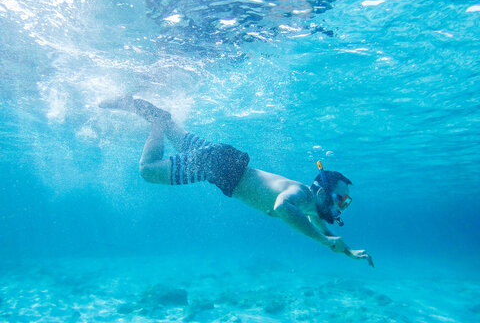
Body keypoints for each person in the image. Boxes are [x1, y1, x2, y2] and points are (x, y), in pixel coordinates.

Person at [100, 96, 374, 267]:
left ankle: (140, 109)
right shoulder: (301, 195)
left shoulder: (313, 207)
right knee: (148, 171)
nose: (342, 207)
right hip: (221, 168)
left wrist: (347, 251)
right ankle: (156, 120)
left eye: (346, 203)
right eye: (340, 199)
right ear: (322, 191)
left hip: (225, 163)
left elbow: (324, 231)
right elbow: (281, 207)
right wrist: (323, 242)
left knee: (178, 136)